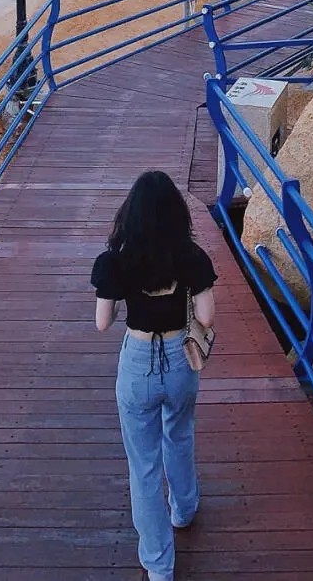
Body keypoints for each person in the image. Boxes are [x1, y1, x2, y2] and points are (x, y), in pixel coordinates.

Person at [91, 170, 217, 581]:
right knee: (179, 434)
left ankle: (159, 566)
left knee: (142, 465)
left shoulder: (115, 260)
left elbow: (102, 323)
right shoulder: (191, 256)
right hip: (181, 358)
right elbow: (206, 315)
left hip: (138, 360)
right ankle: (185, 508)